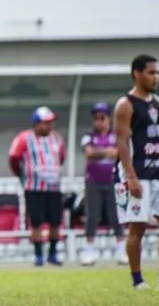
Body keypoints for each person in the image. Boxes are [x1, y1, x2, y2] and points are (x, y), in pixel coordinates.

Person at [112, 54, 159, 290]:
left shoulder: (157, 102)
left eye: (157, 72)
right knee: (137, 227)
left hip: (157, 174)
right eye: (151, 72)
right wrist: (131, 177)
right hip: (136, 174)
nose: (156, 77)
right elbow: (122, 143)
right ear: (137, 73)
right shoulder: (126, 105)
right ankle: (137, 280)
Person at [9, 106, 66, 267]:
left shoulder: (57, 139)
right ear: (36, 124)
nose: (49, 126)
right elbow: (14, 158)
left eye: (50, 123)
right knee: (36, 222)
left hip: (54, 188)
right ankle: (39, 255)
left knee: (55, 221)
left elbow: (61, 157)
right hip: (34, 188)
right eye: (45, 123)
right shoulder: (24, 139)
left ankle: (53, 254)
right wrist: (23, 174)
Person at [79, 102, 127, 266]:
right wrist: (106, 151)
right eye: (96, 118)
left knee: (116, 216)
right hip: (93, 182)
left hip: (113, 182)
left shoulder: (117, 136)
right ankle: (89, 251)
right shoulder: (88, 137)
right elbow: (89, 154)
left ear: (108, 119)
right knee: (92, 216)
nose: (99, 121)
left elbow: (118, 153)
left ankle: (121, 251)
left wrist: (102, 152)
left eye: (102, 118)